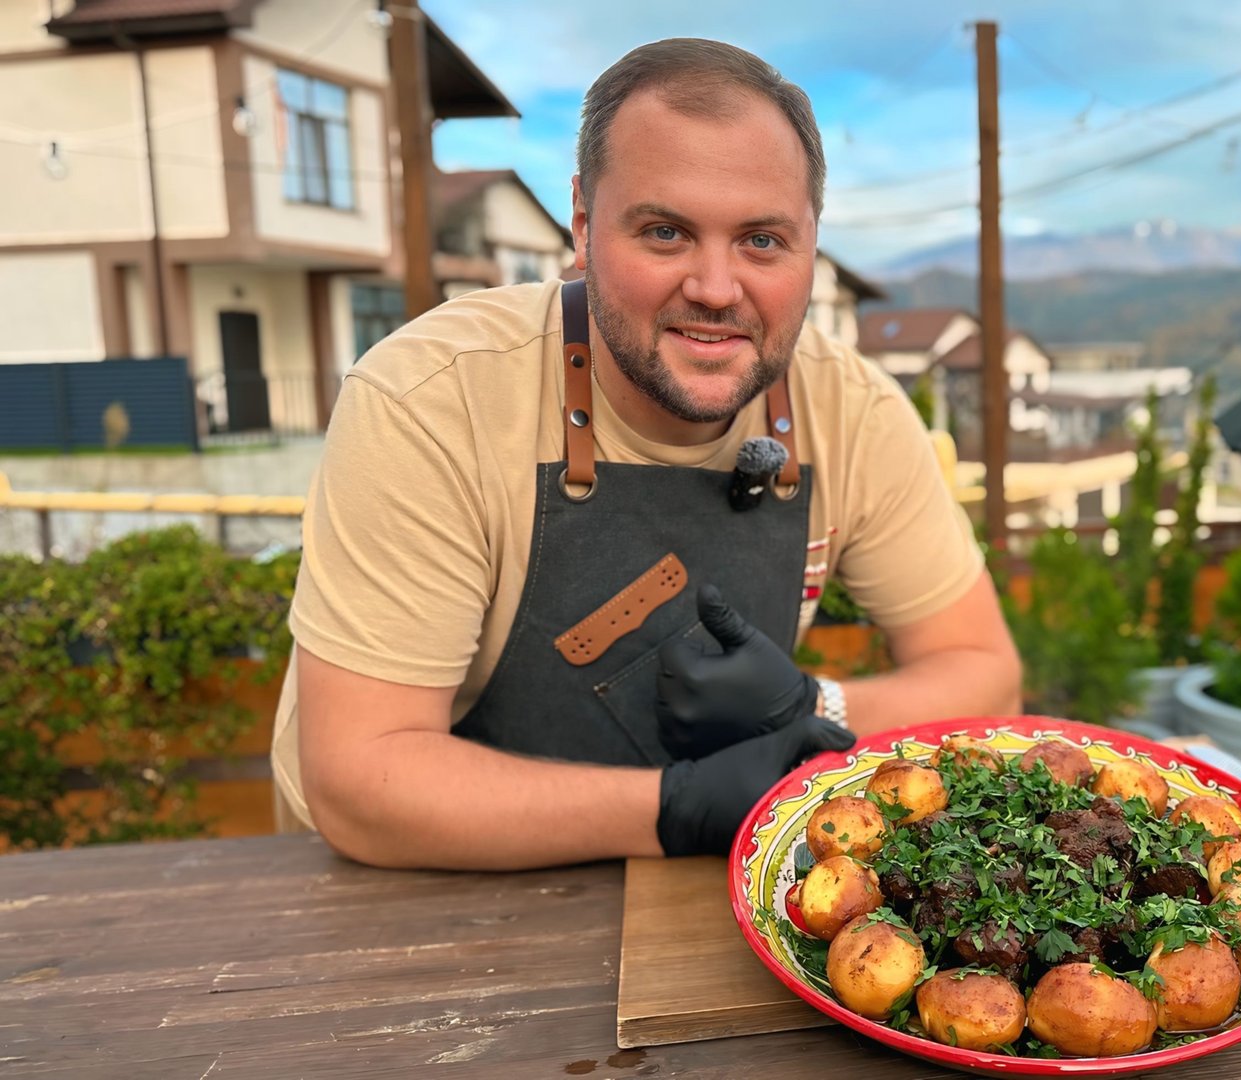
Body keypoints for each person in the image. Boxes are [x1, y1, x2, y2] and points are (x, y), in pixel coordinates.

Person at [269, 38, 1021, 871]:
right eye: (665, 232)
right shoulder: (434, 399)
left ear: (813, 247)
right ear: (584, 228)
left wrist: (819, 703)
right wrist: (677, 809)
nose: (714, 286)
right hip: (403, 901)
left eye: (762, 241)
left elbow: (987, 679)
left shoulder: (855, 411)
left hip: (700, 899)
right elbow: (360, 780)